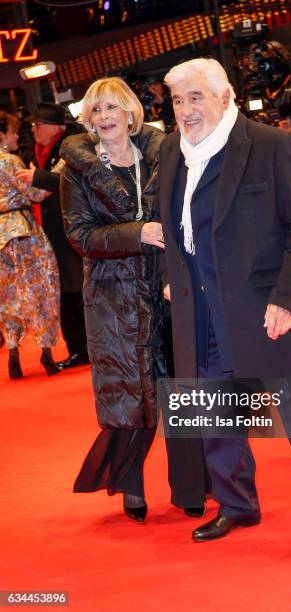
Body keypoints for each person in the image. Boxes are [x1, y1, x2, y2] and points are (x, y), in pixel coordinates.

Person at [158, 58, 291, 556]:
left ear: (225, 97)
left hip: (264, 308)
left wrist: (287, 299)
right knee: (213, 414)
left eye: (196, 97)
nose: (186, 110)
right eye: (178, 101)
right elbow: (174, 229)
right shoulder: (171, 151)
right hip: (196, 309)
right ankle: (236, 504)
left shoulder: (270, 145)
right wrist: (172, 280)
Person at [59, 76, 175, 521]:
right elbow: (80, 235)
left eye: (111, 108)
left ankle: (192, 485)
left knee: (179, 387)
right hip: (113, 295)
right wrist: (138, 233)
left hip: (165, 286)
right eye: (96, 111)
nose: (104, 118)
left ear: (130, 112)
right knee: (130, 392)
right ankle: (131, 487)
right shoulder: (78, 169)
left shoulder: (162, 154)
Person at [15, 102, 88, 369]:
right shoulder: (39, 150)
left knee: (74, 287)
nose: (34, 130)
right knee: (66, 289)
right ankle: (79, 347)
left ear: (55, 127)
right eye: (33, 125)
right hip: (51, 230)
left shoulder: (70, 145)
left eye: (39, 125)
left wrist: (38, 177)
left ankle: (83, 348)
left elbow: (69, 179)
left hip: (70, 227)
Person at [0, 111, 60, 379]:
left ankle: (13, 351)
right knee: (39, 290)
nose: (16, 136)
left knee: (7, 296)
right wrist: (53, 174)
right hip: (23, 231)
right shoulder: (10, 161)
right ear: (1, 135)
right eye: (12, 132)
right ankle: (46, 354)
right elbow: (35, 193)